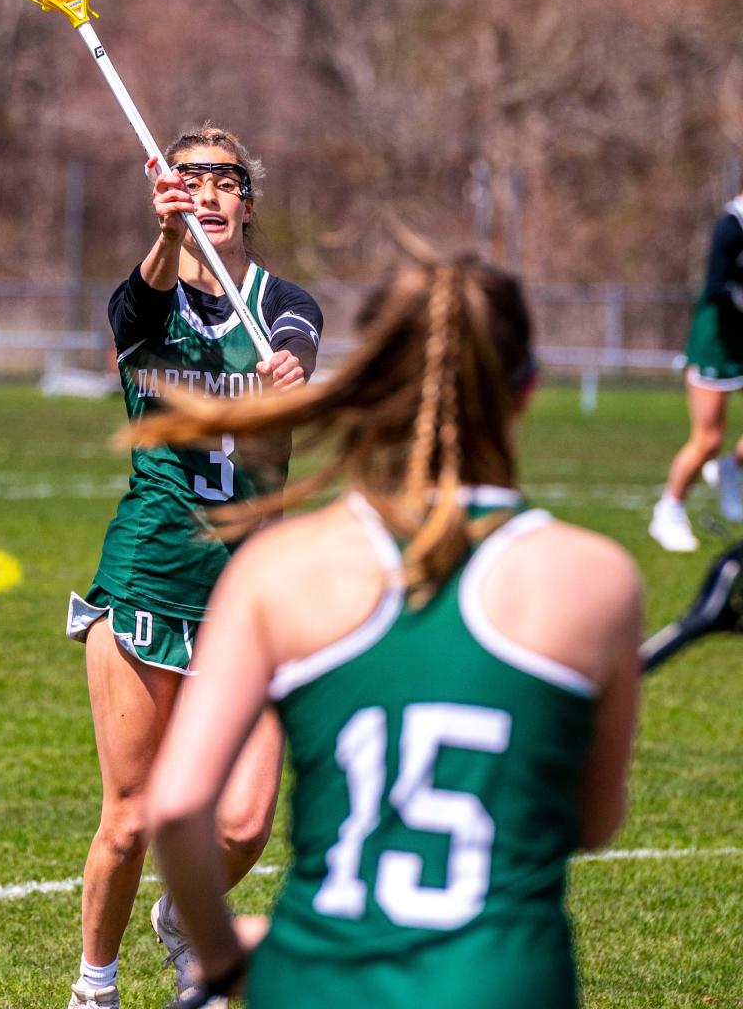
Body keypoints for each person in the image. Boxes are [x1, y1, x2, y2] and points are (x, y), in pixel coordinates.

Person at [145, 255, 643, 1009]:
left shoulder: (280, 566)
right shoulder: (595, 578)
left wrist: (221, 958)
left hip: (317, 979)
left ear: (374, 386)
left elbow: (179, 808)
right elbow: (593, 821)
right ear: (526, 391)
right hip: (504, 984)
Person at [64, 123, 323, 1009]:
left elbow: (297, 343)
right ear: (167, 194)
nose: (208, 190)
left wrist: (291, 371)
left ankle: (182, 916)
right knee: (132, 818)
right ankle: (95, 986)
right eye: (190, 179)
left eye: (224, 180)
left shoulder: (283, 303)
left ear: (248, 201)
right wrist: (168, 237)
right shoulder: (145, 301)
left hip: (250, 596)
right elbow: (140, 309)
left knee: (245, 820)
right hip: (150, 581)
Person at [651, 195, 743, 552]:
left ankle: (730, 470)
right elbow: (716, 287)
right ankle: (669, 511)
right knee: (707, 439)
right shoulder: (732, 225)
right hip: (717, 338)